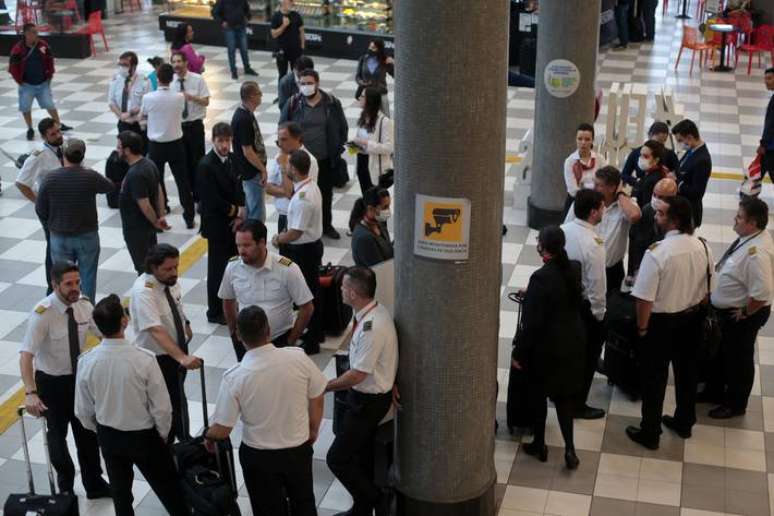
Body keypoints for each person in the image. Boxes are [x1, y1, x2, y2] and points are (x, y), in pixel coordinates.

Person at [74, 294, 189, 516]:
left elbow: (83, 410)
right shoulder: (144, 359)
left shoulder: (87, 362)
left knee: (121, 495)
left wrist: (99, 430)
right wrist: (163, 434)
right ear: (125, 322)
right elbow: (162, 408)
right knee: (170, 490)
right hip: (144, 437)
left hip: (109, 436)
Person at [205, 305, 325, 516]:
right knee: (304, 502)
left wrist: (208, 435)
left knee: (267, 508)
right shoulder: (298, 358)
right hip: (297, 448)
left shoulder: (235, 377)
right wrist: (313, 428)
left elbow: (222, 430)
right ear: (268, 330)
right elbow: (317, 393)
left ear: (239, 336)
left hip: (259, 457)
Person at [627, 196, 713, 449]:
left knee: (654, 378)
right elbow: (709, 289)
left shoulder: (657, 253)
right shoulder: (703, 247)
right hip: (693, 319)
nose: (655, 216)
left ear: (674, 220)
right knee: (687, 372)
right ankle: (684, 422)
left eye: (661, 214)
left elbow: (644, 300)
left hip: (661, 324)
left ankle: (650, 432)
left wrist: (642, 328)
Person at [19, 261, 111, 498]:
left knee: (88, 435)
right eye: (68, 284)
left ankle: (94, 483)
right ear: (55, 284)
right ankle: (66, 486)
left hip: (79, 381)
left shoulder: (83, 305)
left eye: (77, 282)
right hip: (51, 383)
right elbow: (26, 355)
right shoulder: (43, 313)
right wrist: (31, 392)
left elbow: (101, 333)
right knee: (58, 441)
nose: (75, 288)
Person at [325, 266, 398, 516]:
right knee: (360, 454)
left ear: (354, 293)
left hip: (368, 401)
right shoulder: (369, 314)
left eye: (344, 287)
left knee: (337, 458)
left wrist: (324, 387)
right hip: (364, 397)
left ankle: (375, 499)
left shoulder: (372, 327)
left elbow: (358, 374)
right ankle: (362, 508)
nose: (341, 290)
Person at [513, 226, 585, 470]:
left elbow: (531, 325)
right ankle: (570, 449)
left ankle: (539, 445)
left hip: (545, 351)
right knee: (564, 399)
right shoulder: (574, 268)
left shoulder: (540, 278)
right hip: (570, 346)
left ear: (543, 247)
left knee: (539, 396)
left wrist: (518, 353)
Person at [703, 198, 773, 419]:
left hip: (742, 315)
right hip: (731, 310)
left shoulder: (757, 253)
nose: (735, 219)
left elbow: (761, 295)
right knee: (721, 352)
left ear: (752, 223)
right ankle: (714, 391)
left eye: (739, 217)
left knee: (738, 359)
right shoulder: (749, 238)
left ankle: (735, 403)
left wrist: (744, 312)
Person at [129, 244, 203, 444]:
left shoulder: (170, 282)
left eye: (176, 267)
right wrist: (182, 357)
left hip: (176, 350)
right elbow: (155, 330)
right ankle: (168, 444)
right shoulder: (144, 292)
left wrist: (185, 322)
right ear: (153, 268)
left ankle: (184, 438)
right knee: (165, 404)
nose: (174, 273)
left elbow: (176, 305)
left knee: (178, 398)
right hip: (160, 358)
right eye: (168, 269)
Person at [220, 216, 315, 360]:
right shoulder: (233, 267)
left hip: (280, 340)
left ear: (262, 243)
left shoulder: (287, 269)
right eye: (238, 245)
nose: (241, 251)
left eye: (247, 245)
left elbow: (307, 307)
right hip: (247, 343)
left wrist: (290, 341)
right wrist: (234, 333)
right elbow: (228, 301)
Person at [35, 139, 115, 301]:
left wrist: (51, 223)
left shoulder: (51, 178)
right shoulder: (90, 176)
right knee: (88, 277)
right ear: (82, 156)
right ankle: (86, 311)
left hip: (59, 236)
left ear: (63, 155)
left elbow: (40, 209)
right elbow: (109, 187)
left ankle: (65, 309)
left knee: (63, 278)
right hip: (87, 235)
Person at [281, 69, 349, 240]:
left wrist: (338, 148)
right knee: (299, 194)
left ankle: (326, 225)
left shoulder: (331, 103)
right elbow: (283, 126)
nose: (306, 86)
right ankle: (298, 226)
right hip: (300, 160)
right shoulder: (293, 103)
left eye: (309, 83)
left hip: (325, 159)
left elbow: (342, 127)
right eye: (302, 83)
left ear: (317, 83)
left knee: (325, 194)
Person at [560, 189, 607, 420]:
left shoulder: (562, 231)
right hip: (583, 308)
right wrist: (599, 314)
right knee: (587, 357)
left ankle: (558, 392)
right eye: (601, 207)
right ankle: (578, 403)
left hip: (561, 303)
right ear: (593, 212)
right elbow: (597, 285)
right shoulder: (594, 244)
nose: (604, 210)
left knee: (564, 351)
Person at [271, 150, 324, 353]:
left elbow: (295, 232)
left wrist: (278, 238)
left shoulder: (303, 197)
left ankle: (312, 339)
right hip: (309, 247)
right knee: (311, 290)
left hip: (303, 250)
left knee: (307, 294)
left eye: (288, 166)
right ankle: (314, 331)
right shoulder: (310, 187)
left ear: (294, 168)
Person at [197, 123, 245, 325]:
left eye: (227, 141)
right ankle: (215, 310)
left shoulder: (232, 159)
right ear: (213, 140)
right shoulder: (206, 165)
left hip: (233, 224)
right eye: (220, 141)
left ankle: (231, 303)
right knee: (217, 270)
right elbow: (211, 200)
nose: (225, 145)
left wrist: (240, 213)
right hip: (217, 225)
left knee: (233, 266)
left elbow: (239, 186)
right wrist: (234, 211)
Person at [567, 166, 641, 292]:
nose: (594, 188)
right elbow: (566, 229)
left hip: (611, 271)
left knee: (608, 308)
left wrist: (621, 194)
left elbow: (634, 215)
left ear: (612, 188)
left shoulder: (625, 205)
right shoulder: (584, 200)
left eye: (598, 185)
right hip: (583, 268)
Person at [141, 62, 196, 229]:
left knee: (156, 182)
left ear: (157, 78)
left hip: (156, 145)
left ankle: (160, 212)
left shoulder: (148, 97)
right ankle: (189, 217)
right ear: (172, 78)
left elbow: (143, 114)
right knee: (182, 181)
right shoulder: (179, 97)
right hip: (176, 144)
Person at [14, 117, 64, 293]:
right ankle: (52, 288)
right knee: (53, 246)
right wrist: (38, 202)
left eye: (58, 131)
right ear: (44, 137)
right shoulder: (38, 156)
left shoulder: (63, 149)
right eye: (53, 134)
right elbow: (21, 183)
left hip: (65, 206)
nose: (58, 135)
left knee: (63, 245)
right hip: (50, 209)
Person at [8, 23, 72, 141]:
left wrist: (49, 76)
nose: (37, 35)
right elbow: (12, 67)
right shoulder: (17, 49)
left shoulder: (43, 45)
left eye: (37, 32)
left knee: (50, 105)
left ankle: (58, 125)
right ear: (26, 33)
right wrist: (20, 81)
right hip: (26, 85)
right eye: (34, 32)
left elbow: (50, 60)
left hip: (43, 83)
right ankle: (30, 128)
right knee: (25, 107)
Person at [117, 130, 168, 275]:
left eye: (119, 147)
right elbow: (159, 190)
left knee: (144, 268)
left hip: (137, 230)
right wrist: (160, 215)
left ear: (127, 150)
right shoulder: (148, 163)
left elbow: (144, 205)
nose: (117, 150)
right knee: (152, 264)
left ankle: (148, 295)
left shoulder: (136, 174)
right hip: (147, 228)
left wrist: (156, 221)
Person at [171, 51, 210, 204]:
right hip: (178, 127)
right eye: (174, 62)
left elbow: (206, 101)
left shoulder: (197, 80)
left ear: (186, 62)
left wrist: (191, 97)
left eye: (179, 61)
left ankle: (200, 194)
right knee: (183, 162)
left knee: (198, 161)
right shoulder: (171, 83)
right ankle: (188, 194)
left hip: (195, 126)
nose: (177, 65)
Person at [625, 177, 678, 286]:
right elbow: (634, 241)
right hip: (644, 267)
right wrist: (632, 272)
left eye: (661, 197)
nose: (656, 199)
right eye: (654, 195)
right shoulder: (647, 210)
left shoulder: (679, 218)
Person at [267, 121, 318, 232]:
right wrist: (285, 190)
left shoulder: (310, 161)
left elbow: (295, 194)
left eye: (284, 140)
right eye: (278, 140)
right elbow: (268, 188)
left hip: (299, 217)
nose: (280, 144)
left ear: (298, 138)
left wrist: (283, 167)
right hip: (282, 216)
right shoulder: (280, 156)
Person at [232, 81, 269, 222]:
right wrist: (262, 169)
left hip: (248, 170)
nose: (261, 96)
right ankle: (256, 239)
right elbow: (247, 151)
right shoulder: (244, 119)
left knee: (251, 207)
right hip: (251, 171)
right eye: (259, 93)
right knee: (257, 213)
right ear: (252, 96)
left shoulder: (246, 114)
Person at [352, 87, 394, 195]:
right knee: (366, 200)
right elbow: (360, 139)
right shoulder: (363, 117)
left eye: (362, 96)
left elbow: (389, 148)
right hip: (362, 163)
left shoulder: (384, 122)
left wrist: (365, 143)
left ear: (369, 100)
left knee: (375, 202)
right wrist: (353, 146)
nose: (359, 98)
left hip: (376, 169)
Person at [672, 119, 712, 228]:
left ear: (690, 137)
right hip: (681, 206)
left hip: (689, 211)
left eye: (680, 140)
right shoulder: (692, 150)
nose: (679, 144)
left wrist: (677, 182)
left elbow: (697, 192)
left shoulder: (702, 160)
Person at [563, 123, 607, 215]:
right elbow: (572, 190)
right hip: (576, 203)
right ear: (576, 139)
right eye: (580, 139)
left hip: (596, 204)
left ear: (592, 140)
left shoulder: (600, 159)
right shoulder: (570, 161)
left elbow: (605, 182)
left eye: (587, 139)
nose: (583, 142)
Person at [621, 122, 680, 188]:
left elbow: (677, 174)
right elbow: (624, 174)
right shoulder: (636, 153)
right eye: (658, 141)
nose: (660, 145)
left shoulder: (670, 154)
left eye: (663, 142)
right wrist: (636, 181)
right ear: (649, 135)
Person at [108, 51, 150, 143]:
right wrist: (121, 115)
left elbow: (148, 103)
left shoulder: (144, 81)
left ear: (134, 66)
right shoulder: (116, 80)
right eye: (120, 64)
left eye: (125, 65)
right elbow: (111, 102)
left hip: (139, 124)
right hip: (123, 123)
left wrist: (133, 112)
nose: (122, 67)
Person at [212, 0, 258, 80]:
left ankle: (247, 68)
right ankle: (233, 71)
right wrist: (222, 22)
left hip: (241, 26)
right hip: (229, 28)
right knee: (231, 49)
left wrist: (247, 17)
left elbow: (246, 8)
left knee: (244, 49)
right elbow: (214, 12)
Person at [349, 186, 393, 267]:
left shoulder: (379, 223)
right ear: (370, 209)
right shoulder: (364, 238)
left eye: (389, 206)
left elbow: (387, 248)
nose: (388, 210)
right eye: (385, 207)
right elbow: (380, 268)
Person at [354, 39, 395, 117]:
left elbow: (396, 75)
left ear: (379, 49)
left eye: (373, 48)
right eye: (370, 47)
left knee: (385, 118)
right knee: (368, 119)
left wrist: (393, 63)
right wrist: (362, 83)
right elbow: (357, 76)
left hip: (381, 94)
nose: (370, 49)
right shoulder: (363, 59)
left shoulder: (385, 61)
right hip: (368, 94)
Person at [270, 0, 304, 89]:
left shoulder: (296, 15)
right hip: (281, 50)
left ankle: (296, 93)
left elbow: (301, 32)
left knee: (296, 73)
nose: (292, 3)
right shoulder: (276, 16)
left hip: (295, 50)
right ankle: (281, 95)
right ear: (283, 2)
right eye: (290, 1)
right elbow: (274, 34)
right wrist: (284, 26)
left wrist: (302, 47)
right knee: (282, 74)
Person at [759, 67, 774, 183]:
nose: (766, 81)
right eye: (765, 79)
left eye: (769, 78)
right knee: (758, 171)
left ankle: (747, 196)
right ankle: (747, 196)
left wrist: (763, 144)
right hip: (769, 145)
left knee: (758, 172)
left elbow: (770, 125)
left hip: (770, 147)